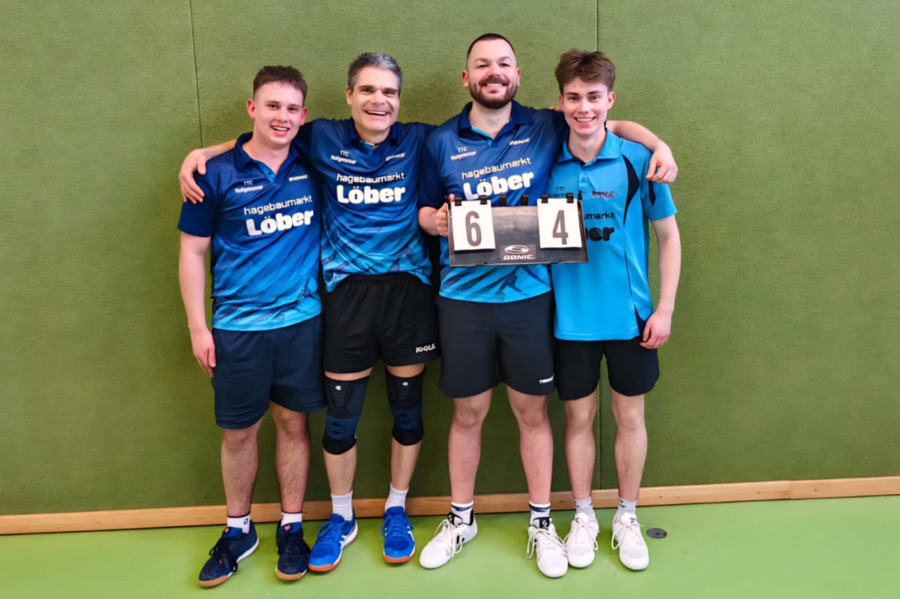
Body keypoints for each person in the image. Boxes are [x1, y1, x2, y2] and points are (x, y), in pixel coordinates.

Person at [416, 34, 677, 579]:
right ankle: (477, 519)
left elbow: (610, 124)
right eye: (482, 64)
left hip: (552, 302)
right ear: (467, 77)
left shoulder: (551, 129)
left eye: (504, 63)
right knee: (478, 414)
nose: (494, 71)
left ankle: (571, 521)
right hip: (489, 303)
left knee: (555, 414)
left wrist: (659, 144)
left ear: (518, 75)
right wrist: (436, 222)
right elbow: (422, 210)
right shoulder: (449, 140)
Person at [179, 53, 439, 570]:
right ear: (349, 95)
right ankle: (339, 517)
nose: (379, 100)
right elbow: (262, 138)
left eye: (389, 91)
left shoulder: (422, 140)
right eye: (368, 90)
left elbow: (509, 128)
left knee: (407, 411)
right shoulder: (319, 137)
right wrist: (202, 153)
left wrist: (613, 127)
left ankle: (395, 509)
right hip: (342, 298)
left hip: (408, 292)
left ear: (399, 100)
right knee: (339, 420)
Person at [178, 65, 323, 587]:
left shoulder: (313, 159)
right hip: (236, 329)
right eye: (272, 106)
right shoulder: (212, 174)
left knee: (293, 425)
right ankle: (238, 530)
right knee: (239, 434)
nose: (282, 117)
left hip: (302, 323)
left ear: (303, 116)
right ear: (252, 108)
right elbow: (192, 253)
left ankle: (291, 527)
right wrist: (199, 328)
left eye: (292, 109)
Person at [549, 50, 681, 572]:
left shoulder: (638, 159)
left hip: (631, 318)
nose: (584, 107)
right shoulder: (544, 156)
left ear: (610, 99)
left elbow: (668, 238)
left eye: (594, 97)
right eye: (573, 97)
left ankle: (626, 515)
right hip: (568, 319)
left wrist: (664, 309)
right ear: (560, 102)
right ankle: (583, 515)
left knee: (629, 417)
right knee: (578, 419)